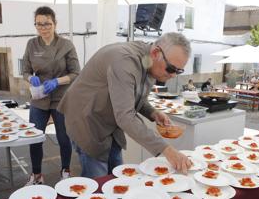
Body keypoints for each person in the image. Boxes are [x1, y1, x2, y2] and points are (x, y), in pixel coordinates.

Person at [58, 33, 192, 178]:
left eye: (179, 71)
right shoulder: (125, 62)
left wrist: (153, 113)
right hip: (86, 119)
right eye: (171, 69)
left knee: (119, 179)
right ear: (155, 53)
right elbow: (125, 117)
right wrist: (167, 150)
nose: (173, 75)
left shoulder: (150, 60)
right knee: (98, 182)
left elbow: (131, 95)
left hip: (109, 121)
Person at [23, 6, 80, 185]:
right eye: (38, 24)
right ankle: (37, 175)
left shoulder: (66, 45)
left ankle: (65, 170)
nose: (43, 28)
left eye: (47, 23)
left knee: (63, 138)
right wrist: (30, 78)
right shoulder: (32, 44)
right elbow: (24, 70)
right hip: (39, 98)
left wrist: (57, 81)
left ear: (55, 24)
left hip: (61, 99)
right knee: (35, 137)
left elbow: (76, 73)